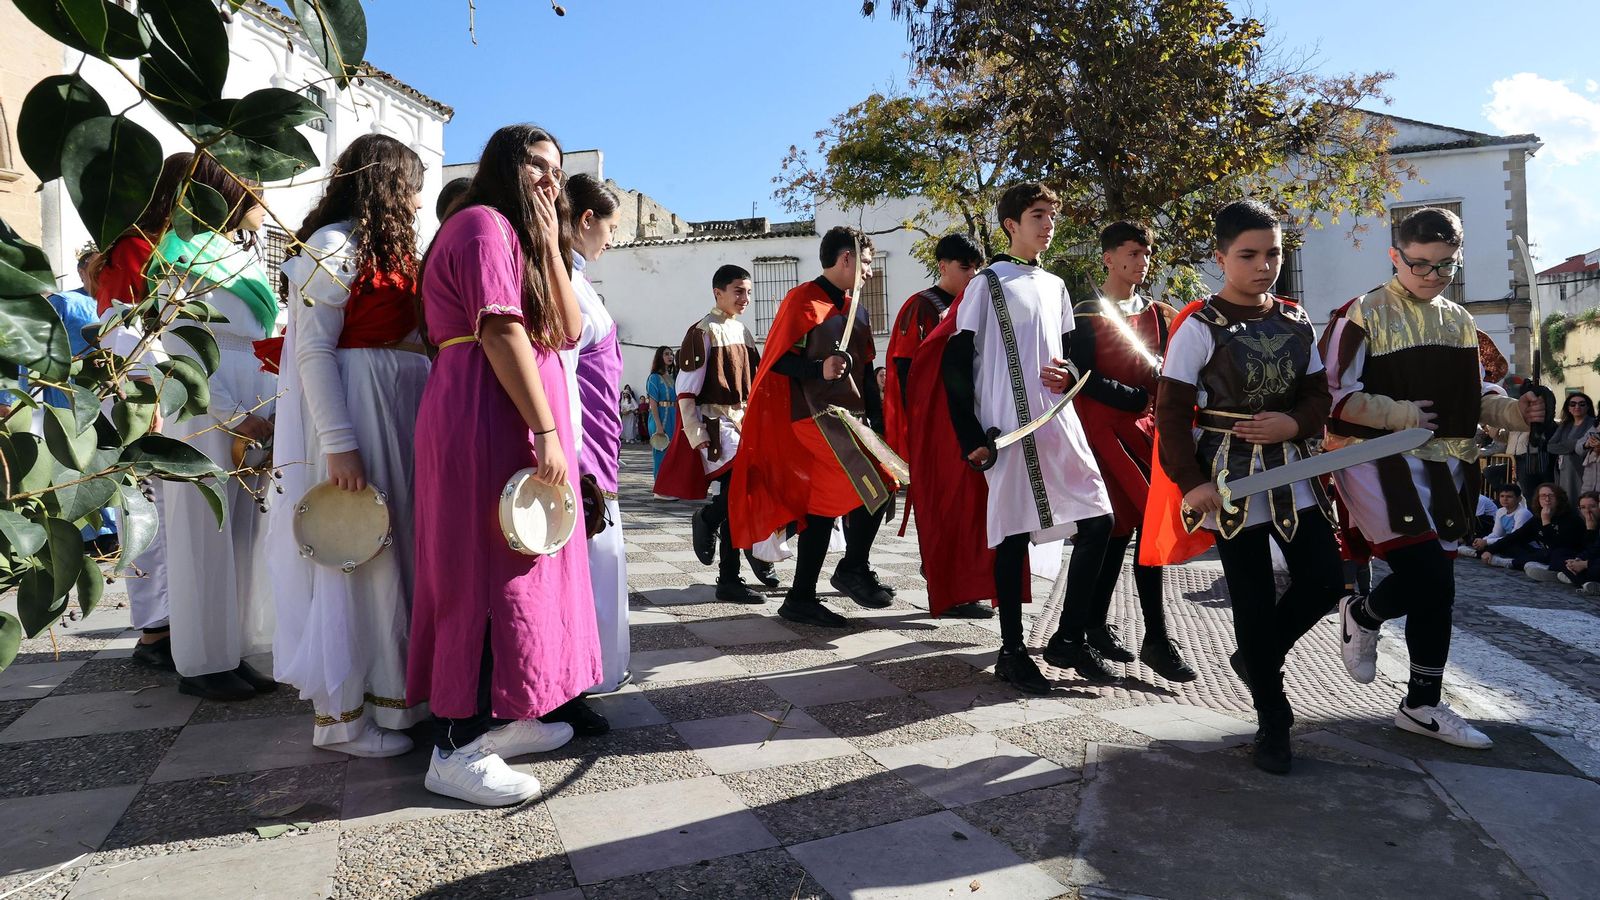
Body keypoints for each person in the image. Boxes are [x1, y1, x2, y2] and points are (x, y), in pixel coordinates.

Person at [408, 124, 598, 806]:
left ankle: (502, 717)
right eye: (538, 165)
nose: (551, 179)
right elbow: (498, 328)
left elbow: (568, 331)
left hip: (506, 415)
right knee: (481, 573)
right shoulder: (482, 225)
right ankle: (454, 747)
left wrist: (549, 244)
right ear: (505, 165)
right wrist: (545, 428)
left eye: (558, 169)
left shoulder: (519, 237)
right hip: (482, 415)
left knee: (520, 568)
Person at [1325, 206, 1546, 752]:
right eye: (1420, 264)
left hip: (1448, 467)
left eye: (1445, 265)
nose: (1432, 275)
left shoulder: (1461, 321)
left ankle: (1421, 704)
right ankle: (1364, 614)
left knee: (1436, 588)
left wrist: (1517, 413)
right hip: (1377, 461)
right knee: (1430, 577)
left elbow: (1477, 397)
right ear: (1395, 256)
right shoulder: (1362, 313)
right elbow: (1331, 396)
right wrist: (1399, 414)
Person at [1144, 199, 1344, 775]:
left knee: (1325, 581)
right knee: (1252, 598)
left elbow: (1317, 396)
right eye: (1249, 255)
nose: (1264, 266)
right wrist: (1190, 483)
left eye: (1273, 254)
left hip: (1294, 470)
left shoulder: (1296, 320)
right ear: (1221, 257)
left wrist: (1295, 424)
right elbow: (1171, 412)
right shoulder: (1198, 327)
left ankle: (1255, 657)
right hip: (1228, 478)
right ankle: (1272, 720)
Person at [266, 134, 430, 757]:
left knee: (395, 552)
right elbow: (311, 350)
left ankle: (395, 700)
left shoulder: (383, 247)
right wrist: (339, 444)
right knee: (358, 550)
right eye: (413, 189)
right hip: (361, 404)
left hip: (399, 404)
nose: (418, 203)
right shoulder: (333, 246)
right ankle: (341, 720)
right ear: (388, 185)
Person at [917, 183, 1114, 693]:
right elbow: (955, 362)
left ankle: (1068, 637)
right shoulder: (986, 284)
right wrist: (970, 436)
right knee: (1013, 535)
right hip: (1006, 427)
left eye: (1052, 215)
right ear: (1011, 225)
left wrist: (1070, 373)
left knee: (1100, 520)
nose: (1048, 224)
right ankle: (1012, 650)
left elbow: (1067, 354)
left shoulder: (1057, 285)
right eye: (1037, 215)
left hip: (1057, 420)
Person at [147, 153, 280, 701]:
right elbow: (181, 346)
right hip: (206, 404)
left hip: (254, 398)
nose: (264, 200)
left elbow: (260, 338)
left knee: (243, 533)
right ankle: (202, 661)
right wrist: (232, 413)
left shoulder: (237, 255)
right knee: (203, 532)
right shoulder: (178, 253)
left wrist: (270, 410)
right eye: (253, 187)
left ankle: (232, 650)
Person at [730, 226, 899, 627]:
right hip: (811, 417)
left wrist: (878, 424)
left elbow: (866, 369)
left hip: (848, 419)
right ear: (846, 259)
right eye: (866, 263)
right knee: (881, 479)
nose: (869, 272)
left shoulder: (857, 309)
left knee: (820, 511)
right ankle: (853, 568)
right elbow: (777, 361)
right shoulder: (802, 300)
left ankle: (800, 598)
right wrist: (818, 369)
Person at [1068, 222, 1196, 682]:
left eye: (1147, 253)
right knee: (1135, 525)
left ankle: (1095, 625)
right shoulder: (1085, 312)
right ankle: (1155, 638)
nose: (1143, 261)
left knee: (1124, 532)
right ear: (1108, 258)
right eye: (1133, 253)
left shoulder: (1158, 313)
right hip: (1102, 430)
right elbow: (1081, 376)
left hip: (1146, 430)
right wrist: (1136, 397)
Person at [95, 153, 193, 671]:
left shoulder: (152, 246)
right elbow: (125, 330)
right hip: (141, 392)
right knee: (149, 513)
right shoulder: (137, 248)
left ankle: (171, 623)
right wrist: (151, 394)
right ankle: (156, 631)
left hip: (154, 387)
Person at [655, 265, 782, 602]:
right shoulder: (703, 331)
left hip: (743, 425)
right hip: (718, 427)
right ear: (718, 292)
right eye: (738, 291)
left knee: (743, 496)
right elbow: (686, 390)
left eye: (748, 292)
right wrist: (696, 433)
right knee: (738, 494)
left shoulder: (743, 332)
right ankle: (715, 529)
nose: (745, 298)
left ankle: (730, 569)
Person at [552, 172, 628, 726]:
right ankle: (570, 679)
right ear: (585, 220)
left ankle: (591, 669)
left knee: (600, 556)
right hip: (579, 443)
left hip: (599, 437)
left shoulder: (578, 278)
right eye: (611, 228)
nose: (612, 240)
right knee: (581, 559)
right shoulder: (562, 280)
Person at [885, 231, 992, 620]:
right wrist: (922, 422)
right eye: (966, 267)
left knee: (971, 505)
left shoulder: (975, 306)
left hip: (970, 419)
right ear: (943, 266)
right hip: (936, 423)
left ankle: (961, 582)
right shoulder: (922, 306)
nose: (972, 275)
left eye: (977, 268)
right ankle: (946, 586)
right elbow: (904, 366)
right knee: (945, 505)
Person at [1479, 483, 1584, 571]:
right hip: (1543, 553)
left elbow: (1555, 545)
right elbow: (1516, 536)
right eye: (1543, 496)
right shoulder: (1537, 518)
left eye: (1551, 496)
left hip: (1566, 555)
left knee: (1554, 555)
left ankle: (1512, 563)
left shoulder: (1570, 519)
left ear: (1559, 498)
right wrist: (1490, 550)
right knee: (1511, 545)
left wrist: (1546, 521)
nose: (1547, 499)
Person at [1527, 490, 1600, 586]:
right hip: (1584, 558)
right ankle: (1572, 576)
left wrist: (1585, 563)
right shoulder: (1583, 521)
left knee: (1594, 568)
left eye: (1592, 506)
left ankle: (1577, 579)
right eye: (1583, 507)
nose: (1587, 511)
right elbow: (1589, 550)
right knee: (1559, 556)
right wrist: (1577, 560)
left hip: (1594, 563)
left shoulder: (1573, 519)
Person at [1547, 392, 1594, 502]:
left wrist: (1565, 446)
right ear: (1568, 408)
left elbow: (1587, 447)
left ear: (1587, 407)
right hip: (1564, 471)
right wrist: (1576, 444)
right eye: (1573, 404)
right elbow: (1550, 447)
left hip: (1584, 470)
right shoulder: (1565, 425)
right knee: (1567, 501)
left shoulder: (1593, 424)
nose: (1577, 407)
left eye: (1582, 404)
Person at [645, 345, 677, 479]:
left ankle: (669, 485)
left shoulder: (674, 377)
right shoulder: (654, 378)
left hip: (673, 415)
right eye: (666, 354)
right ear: (660, 357)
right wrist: (658, 426)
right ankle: (659, 485)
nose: (670, 356)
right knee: (661, 451)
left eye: (671, 354)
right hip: (659, 416)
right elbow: (653, 404)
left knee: (673, 453)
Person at [1471, 485, 1532, 554]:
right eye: (1502, 496)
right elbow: (1496, 534)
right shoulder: (1500, 511)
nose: (1505, 499)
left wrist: (1486, 542)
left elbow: (1514, 538)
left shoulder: (1522, 513)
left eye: (1509, 496)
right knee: (1476, 544)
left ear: (1519, 499)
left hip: (1524, 545)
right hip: (1508, 541)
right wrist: (1482, 540)